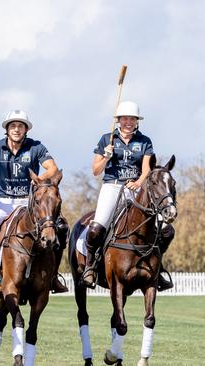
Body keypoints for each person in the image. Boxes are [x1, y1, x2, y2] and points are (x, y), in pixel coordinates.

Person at [0, 110, 69, 293]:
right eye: (12, 126)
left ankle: (52, 277)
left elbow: (52, 168)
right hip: (2, 203)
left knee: (61, 226)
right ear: (7, 129)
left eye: (20, 126)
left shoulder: (36, 147)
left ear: (26, 130)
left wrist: (39, 179)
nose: (16, 129)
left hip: (28, 204)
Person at [81, 101, 174, 291]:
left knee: (165, 229)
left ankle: (158, 267)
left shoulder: (144, 141)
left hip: (136, 189)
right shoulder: (106, 139)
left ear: (137, 121)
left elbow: (147, 168)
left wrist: (139, 182)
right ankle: (90, 267)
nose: (128, 122)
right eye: (125, 118)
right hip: (112, 186)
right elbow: (95, 171)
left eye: (132, 119)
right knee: (96, 229)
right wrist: (106, 156)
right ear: (119, 120)